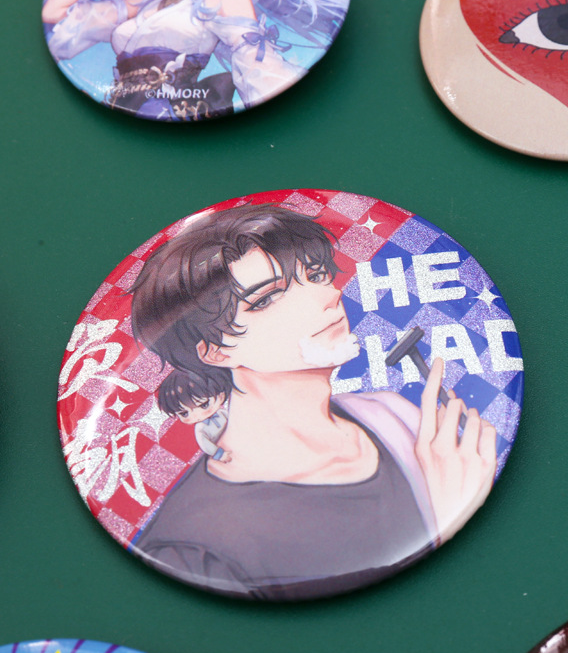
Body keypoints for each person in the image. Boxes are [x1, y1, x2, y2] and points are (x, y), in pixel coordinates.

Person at [129, 203, 497, 599]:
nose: (328, 296)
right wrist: (441, 518)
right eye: (266, 299)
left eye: (317, 274)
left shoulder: (392, 416)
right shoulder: (195, 548)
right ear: (215, 352)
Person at [42, 0, 350, 119]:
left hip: (171, 112)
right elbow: (54, 13)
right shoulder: (151, 0)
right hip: (116, 112)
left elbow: (257, 65)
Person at [161, 368, 232, 462]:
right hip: (223, 448)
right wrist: (219, 454)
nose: (197, 415)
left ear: (221, 396)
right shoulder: (201, 428)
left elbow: (234, 421)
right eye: (184, 413)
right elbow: (205, 444)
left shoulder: (222, 413)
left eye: (204, 405)